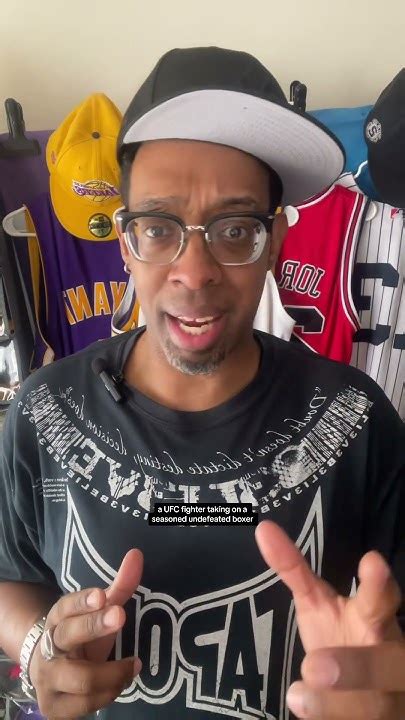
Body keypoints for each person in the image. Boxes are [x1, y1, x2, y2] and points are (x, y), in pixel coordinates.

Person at [0, 46, 404, 720]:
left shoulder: (356, 423)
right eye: (159, 229)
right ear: (125, 243)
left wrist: (385, 691)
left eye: (235, 229)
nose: (194, 272)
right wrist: (41, 643)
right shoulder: (44, 413)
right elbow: (11, 579)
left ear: (276, 241)